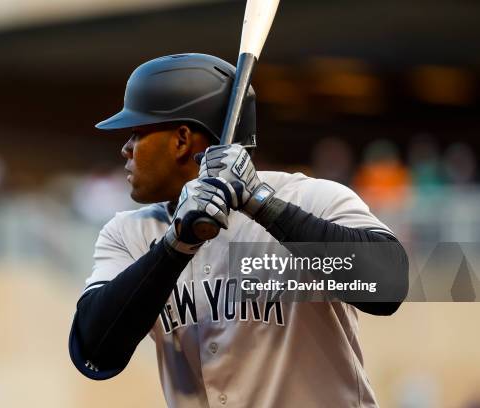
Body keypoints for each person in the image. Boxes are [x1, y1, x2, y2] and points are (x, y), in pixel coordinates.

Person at [69, 54, 408, 408]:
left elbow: (388, 287)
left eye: (138, 132)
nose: (126, 148)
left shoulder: (310, 197)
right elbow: (94, 353)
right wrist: (175, 245)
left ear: (182, 140)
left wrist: (260, 203)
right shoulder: (129, 233)